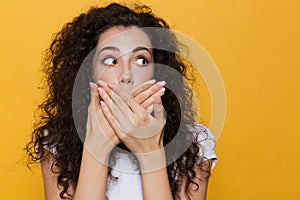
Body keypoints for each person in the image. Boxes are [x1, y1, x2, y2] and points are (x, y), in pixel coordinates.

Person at [26, 2, 217, 200]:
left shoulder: (194, 144)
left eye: (141, 60)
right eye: (111, 60)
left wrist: (151, 153)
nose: (127, 75)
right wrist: (95, 149)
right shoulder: (57, 142)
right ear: (90, 75)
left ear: (157, 72)